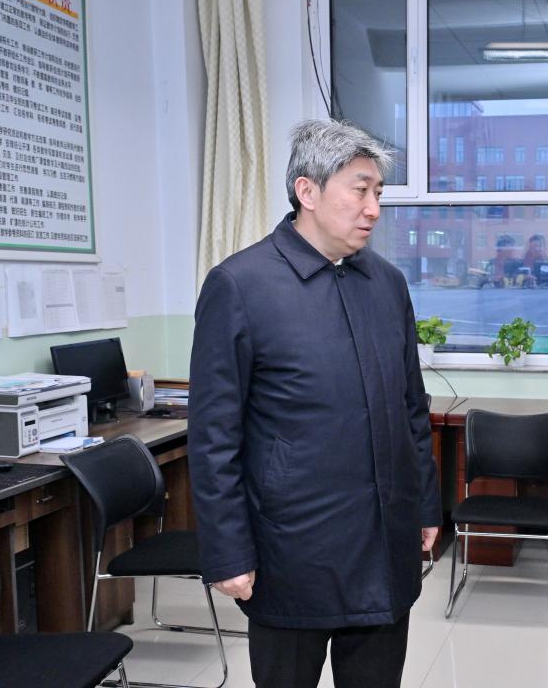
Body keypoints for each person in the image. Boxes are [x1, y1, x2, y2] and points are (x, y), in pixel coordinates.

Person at [188, 119, 441, 688]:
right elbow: (213, 436)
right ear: (308, 190)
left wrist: (426, 506)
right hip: (291, 550)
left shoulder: (387, 284)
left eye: (378, 192)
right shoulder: (240, 285)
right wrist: (227, 550)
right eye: (361, 190)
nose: (374, 208)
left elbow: (411, 408)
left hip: (382, 544)